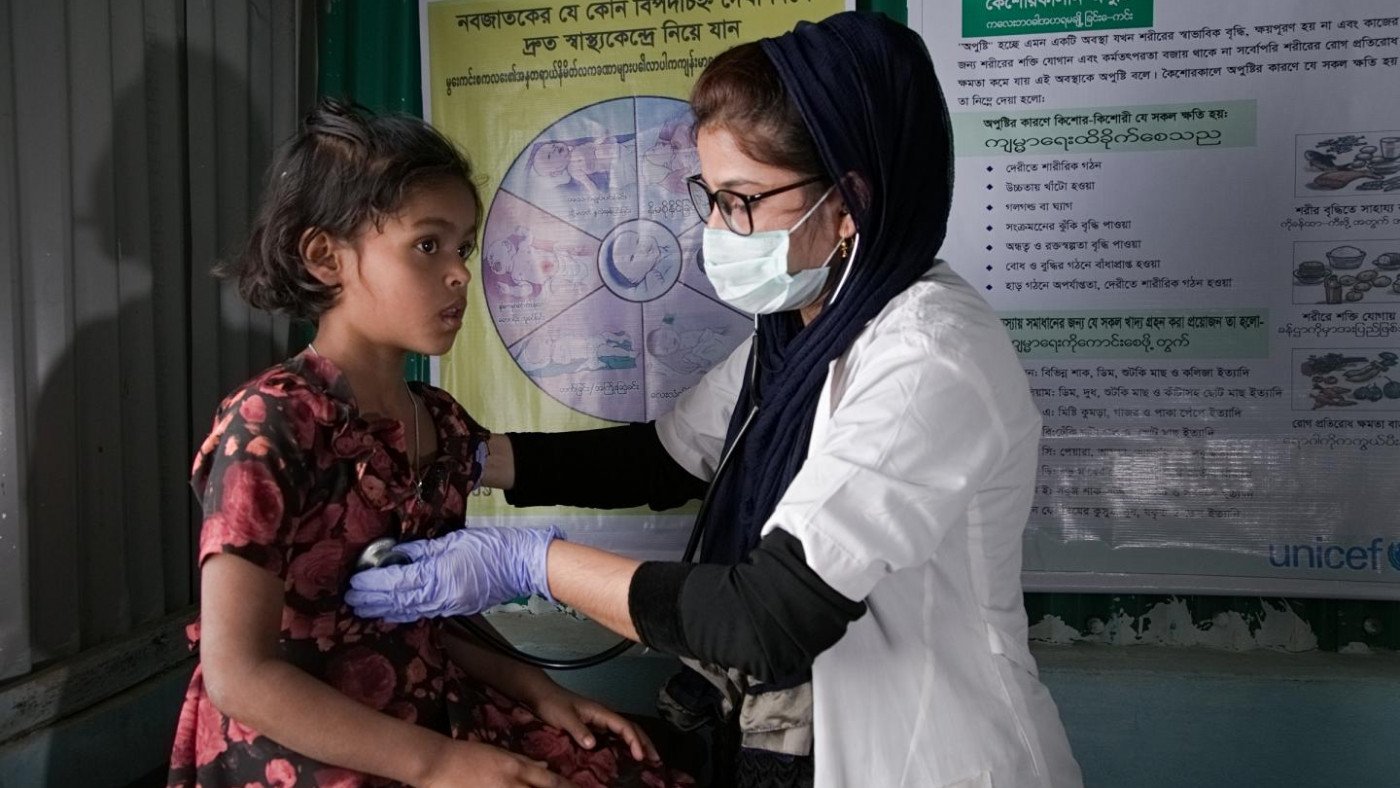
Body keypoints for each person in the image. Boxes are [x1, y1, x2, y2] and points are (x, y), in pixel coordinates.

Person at [350, 12, 1083, 788]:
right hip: (785, 742)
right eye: (713, 196)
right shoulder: (800, 330)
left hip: (922, 758)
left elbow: (768, 616)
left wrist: (530, 564)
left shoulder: (929, 355)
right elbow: (665, 456)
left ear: (849, 204)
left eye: (743, 199)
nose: (719, 229)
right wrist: (472, 457)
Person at [166, 98, 694, 788]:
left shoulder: (440, 422)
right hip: (303, 736)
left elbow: (431, 616)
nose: (460, 274)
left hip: (422, 697)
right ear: (326, 257)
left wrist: (538, 690)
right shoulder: (270, 424)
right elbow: (239, 676)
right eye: (427, 245)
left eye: (463, 248)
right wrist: (439, 763)